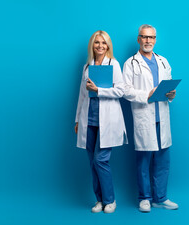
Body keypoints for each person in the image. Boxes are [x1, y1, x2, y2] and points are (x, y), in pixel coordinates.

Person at [122, 24, 178, 212]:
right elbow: (125, 91)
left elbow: (168, 87)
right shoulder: (131, 63)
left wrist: (171, 94)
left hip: (161, 116)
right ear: (138, 39)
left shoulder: (163, 61)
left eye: (151, 37)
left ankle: (160, 198)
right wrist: (147, 94)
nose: (148, 41)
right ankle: (144, 198)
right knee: (144, 160)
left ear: (155, 40)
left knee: (163, 160)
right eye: (144, 37)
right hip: (144, 117)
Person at [75, 30, 127, 213]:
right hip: (88, 119)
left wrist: (98, 90)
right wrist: (76, 120)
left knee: (100, 160)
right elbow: (82, 95)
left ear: (108, 46)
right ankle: (99, 200)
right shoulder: (86, 67)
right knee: (92, 161)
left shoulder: (114, 64)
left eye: (103, 43)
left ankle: (110, 200)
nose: (100, 46)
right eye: (97, 42)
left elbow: (120, 90)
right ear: (92, 45)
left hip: (109, 120)